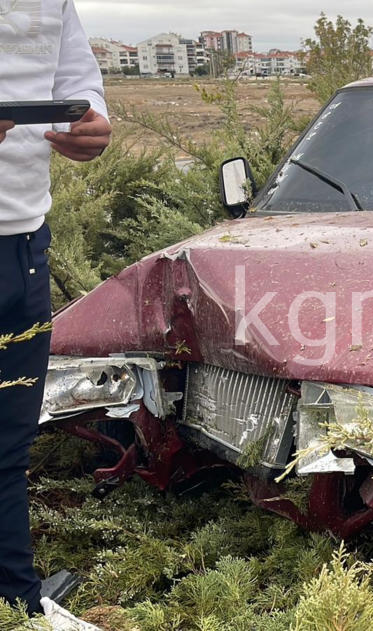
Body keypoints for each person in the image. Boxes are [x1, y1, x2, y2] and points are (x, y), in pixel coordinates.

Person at [1, 0, 111, 625]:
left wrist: (89, 128)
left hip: (24, 247)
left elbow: (80, 95)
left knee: (10, 436)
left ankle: (15, 595)